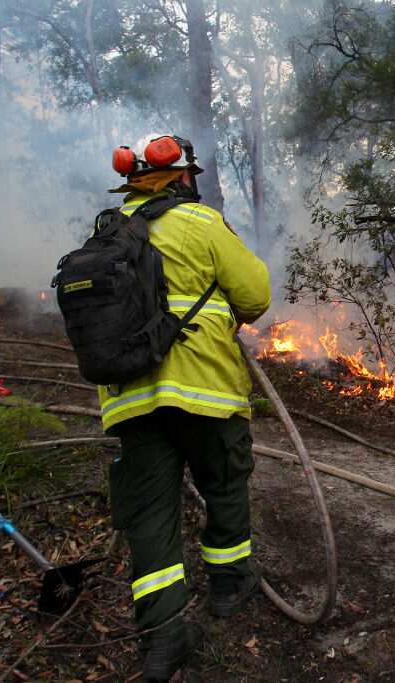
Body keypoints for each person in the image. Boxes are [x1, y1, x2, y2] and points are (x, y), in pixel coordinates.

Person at [101, 134, 270, 680]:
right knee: (223, 482)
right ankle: (229, 586)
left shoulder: (107, 233)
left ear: (131, 183)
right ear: (181, 177)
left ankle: (162, 636)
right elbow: (255, 296)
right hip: (204, 388)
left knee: (150, 514)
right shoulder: (200, 222)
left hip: (131, 398)